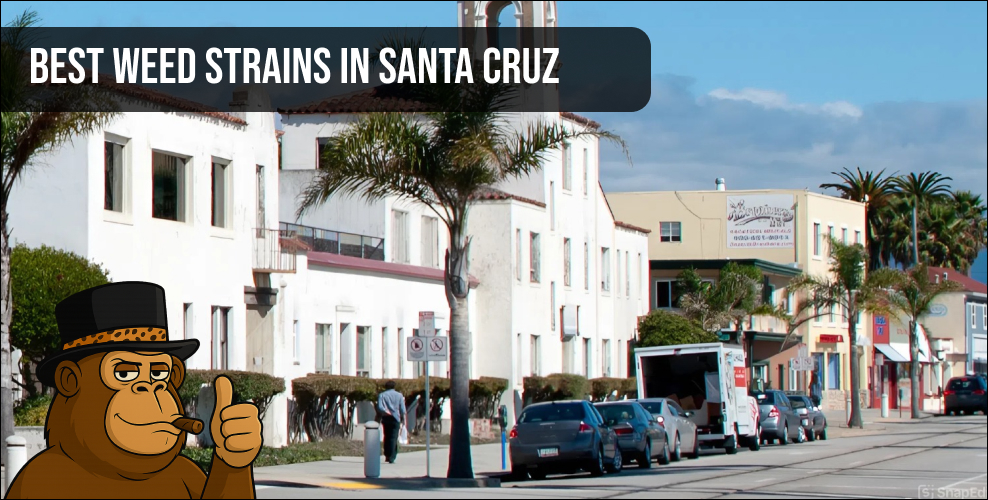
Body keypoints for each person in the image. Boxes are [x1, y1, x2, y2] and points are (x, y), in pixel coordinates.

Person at [377, 381, 407, 464]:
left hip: (386, 418)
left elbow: (380, 407)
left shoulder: (382, 395)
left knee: (386, 436)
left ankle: (387, 454)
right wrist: (403, 419)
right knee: (393, 437)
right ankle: (392, 456)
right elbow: (402, 409)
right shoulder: (399, 395)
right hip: (396, 418)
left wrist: (386, 411)